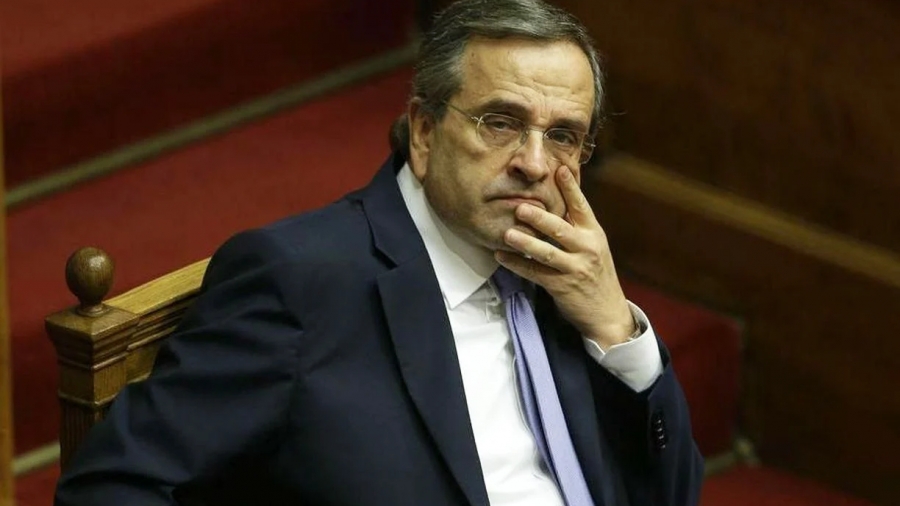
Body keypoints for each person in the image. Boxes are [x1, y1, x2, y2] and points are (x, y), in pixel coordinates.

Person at [55, 0, 704, 504]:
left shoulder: (569, 280)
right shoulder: (298, 283)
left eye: (562, 136)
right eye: (501, 122)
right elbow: (111, 487)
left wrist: (618, 331)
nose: (535, 164)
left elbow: (672, 495)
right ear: (423, 131)